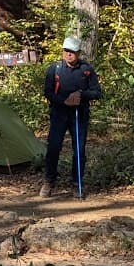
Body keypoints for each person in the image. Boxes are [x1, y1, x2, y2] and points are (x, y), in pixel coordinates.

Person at [41, 35, 102, 199]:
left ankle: (77, 183)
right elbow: (47, 92)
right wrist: (64, 101)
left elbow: (97, 92)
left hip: (79, 115)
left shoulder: (86, 70)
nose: (69, 54)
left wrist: (81, 95)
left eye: (72, 52)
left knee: (79, 150)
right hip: (59, 113)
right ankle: (49, 181)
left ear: (78, 53)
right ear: (62, 52)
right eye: (66, 51)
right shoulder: (54, 69)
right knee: (53, 148)